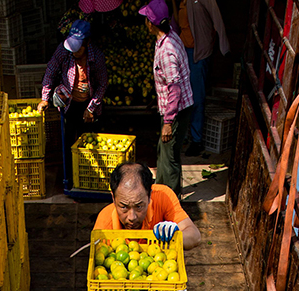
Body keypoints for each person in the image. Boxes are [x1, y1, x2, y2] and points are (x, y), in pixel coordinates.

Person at [40, 20, 108, 185]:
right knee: (69, 141)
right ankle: (69, 178)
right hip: (70, 103)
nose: (75, 53)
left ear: (87, 42)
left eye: (78, 49)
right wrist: (45, 98)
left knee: (88, 143)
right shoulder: (64, 51)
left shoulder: (96, 57)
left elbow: (102, 84)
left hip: (88, 104)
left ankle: (89, 179)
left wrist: (91, 108)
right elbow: (51, 70)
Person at [140, 0, 193, 195]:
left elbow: (175, 88)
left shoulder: (167, 50)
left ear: (151, 24)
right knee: (165, 154)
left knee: (168, 159)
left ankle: (169, 203)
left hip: (176, 112)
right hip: (176, 108)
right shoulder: (170, 35)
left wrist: (169, 122)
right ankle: (161, 193)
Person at [94, 162, 201, 249]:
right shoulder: (104, 224)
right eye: (124, 207)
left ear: (150, 195)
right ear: (113, 198)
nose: (132, 217)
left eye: (139, 206)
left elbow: (195, 236)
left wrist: (176, 236)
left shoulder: (163, 197)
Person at [175, 0, 229, 155]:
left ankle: (197, 141)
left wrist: (224, 47)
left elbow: (217, 20)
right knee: (183, 97)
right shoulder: (181, 2)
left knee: (197, 98)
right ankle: (185, 134)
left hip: (198, 55)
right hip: (184, 52)